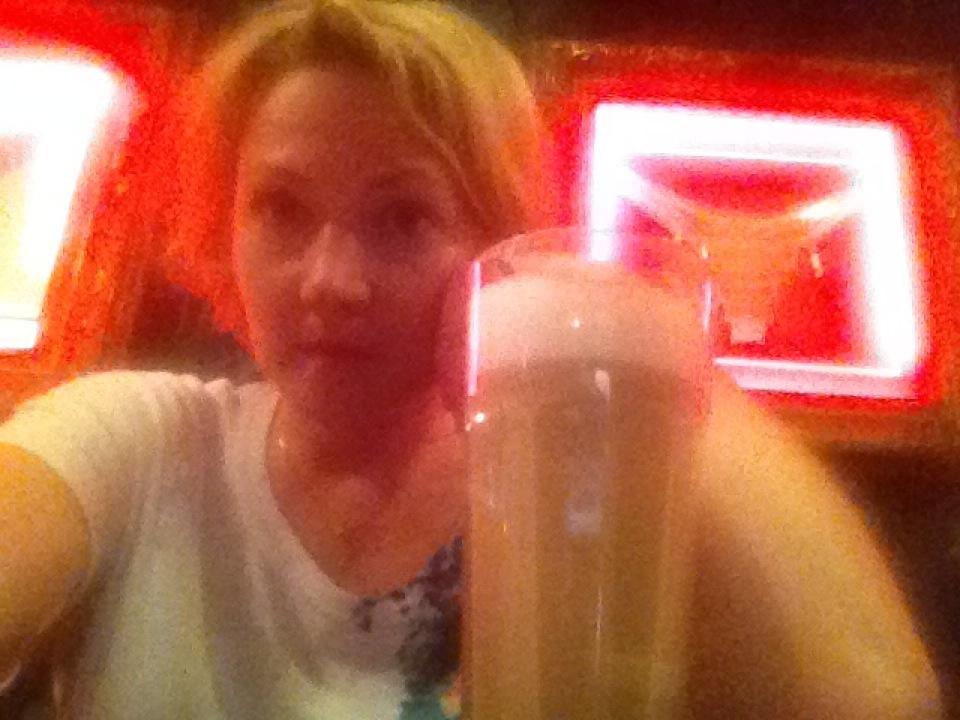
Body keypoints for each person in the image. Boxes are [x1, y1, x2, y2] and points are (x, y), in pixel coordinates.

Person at [0, 1, 942, 718]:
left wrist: (605, 343)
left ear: (497, 243)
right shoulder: (141, 441)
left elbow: (873, 697)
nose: (331, 281)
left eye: (403, 217)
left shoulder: (574, 509)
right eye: (281, 210)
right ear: (224, 231)